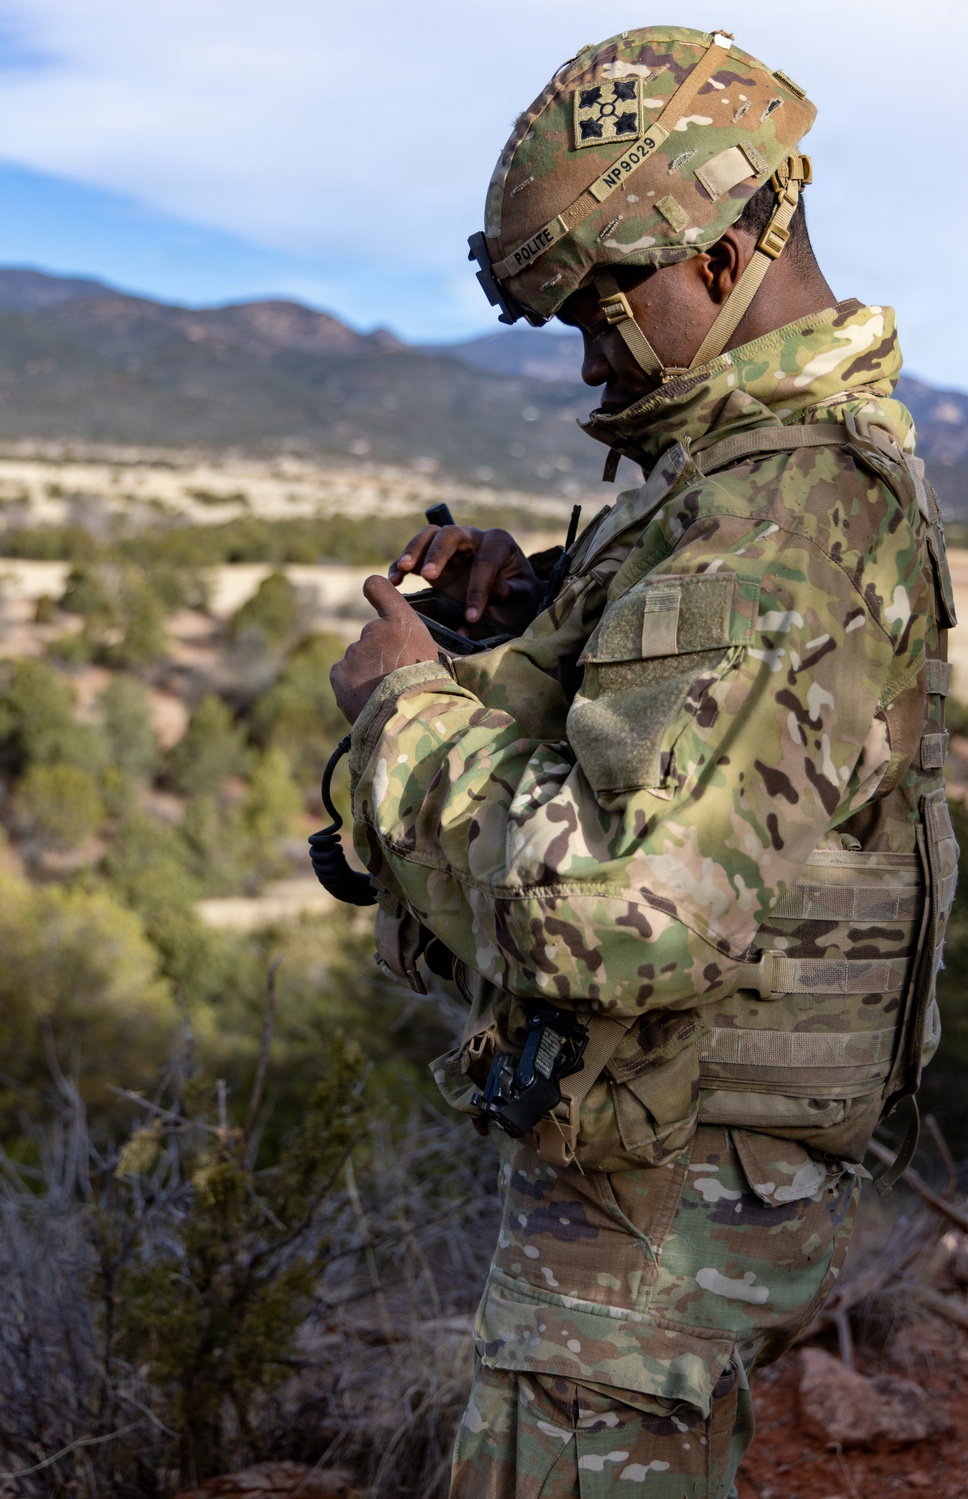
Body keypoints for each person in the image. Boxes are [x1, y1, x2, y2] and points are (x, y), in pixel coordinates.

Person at [328, 24, 957, 1498]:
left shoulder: (780, 510)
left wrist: (406, 712)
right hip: (667, 1193)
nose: (589, 350)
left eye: (606, 302)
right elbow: (714, 732)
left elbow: (631, 911)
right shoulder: (752, 477)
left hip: (650, 1233)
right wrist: (541, 621)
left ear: (728, 254)